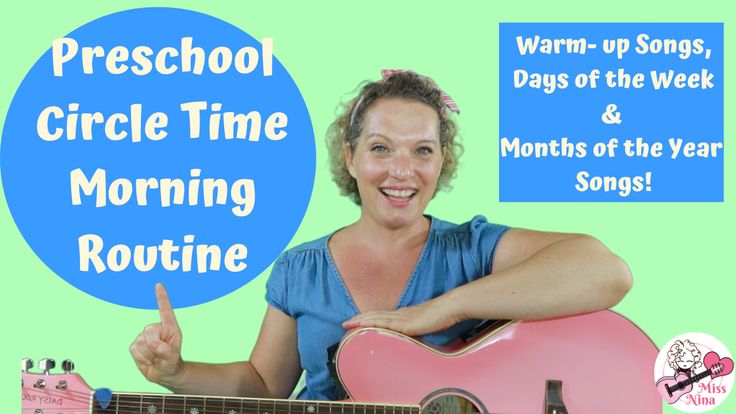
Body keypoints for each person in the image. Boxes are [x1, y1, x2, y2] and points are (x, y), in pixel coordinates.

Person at [129, 70, 632, 401]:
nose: (402, 171)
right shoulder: (299, 268)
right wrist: (177, 373)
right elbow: (264, 386)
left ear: (442, 163)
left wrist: (440, 310)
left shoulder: (474, 249)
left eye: (422, 151)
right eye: (381, 148)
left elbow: (606, 270)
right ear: (350, 159)